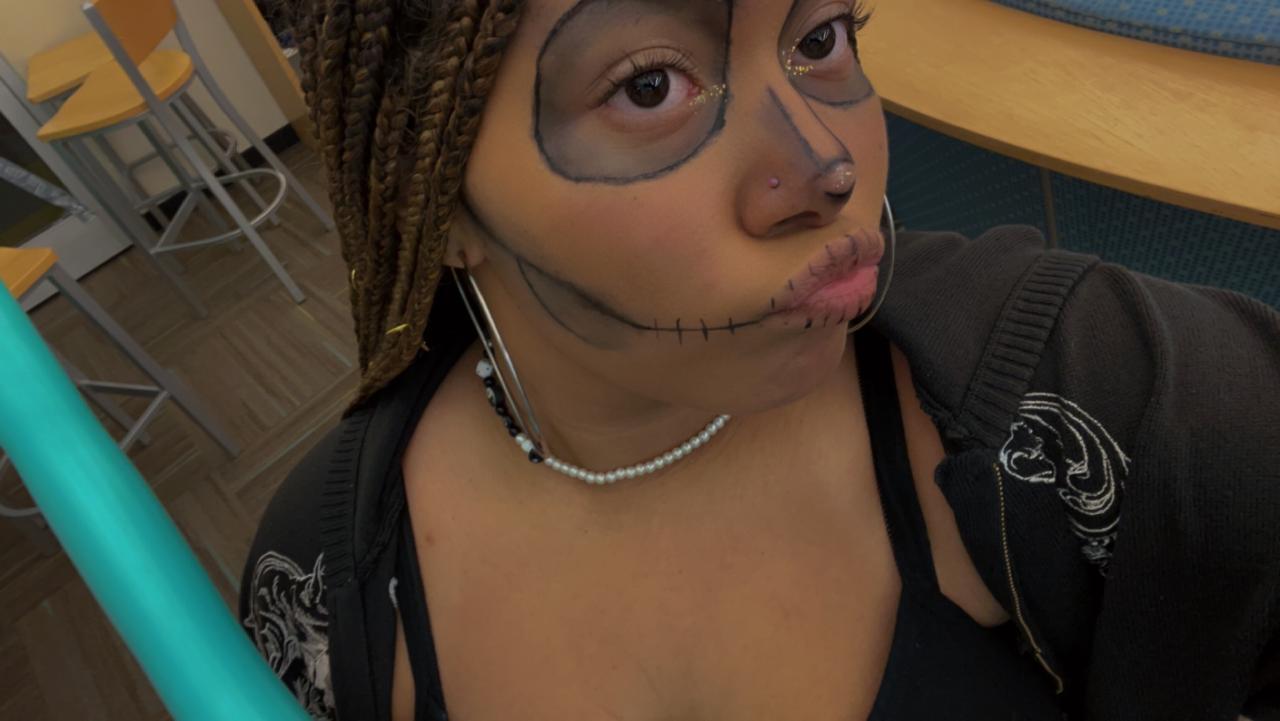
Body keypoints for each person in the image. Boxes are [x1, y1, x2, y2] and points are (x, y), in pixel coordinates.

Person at [238, 1, 1280, 719]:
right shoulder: (321, 586)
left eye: (819, 36)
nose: (825, 164)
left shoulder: (1062, 379)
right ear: (441, 203)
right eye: (650, 85)